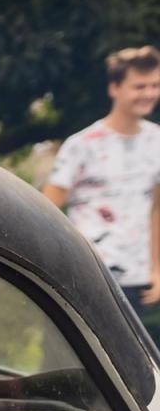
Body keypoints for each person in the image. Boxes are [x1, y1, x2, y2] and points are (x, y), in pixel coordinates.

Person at [44, 45, 160, 345]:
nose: (148, 93)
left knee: (129, 373)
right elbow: (47, 208)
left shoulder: (156, 141)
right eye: (139, 86)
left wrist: (157, 268)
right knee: (71, 357)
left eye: (155, 85)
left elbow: (156, 209)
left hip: (134, 279)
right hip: (87, 273)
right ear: (115, 88)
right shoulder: (83, 144)